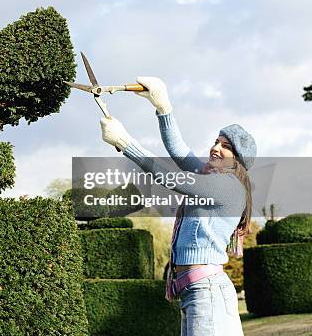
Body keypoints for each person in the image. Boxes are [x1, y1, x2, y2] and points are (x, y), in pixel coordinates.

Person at [98, 76, 255, 336]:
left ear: (237, 160)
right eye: (216, 141)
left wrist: (126, 144)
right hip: (196, 292)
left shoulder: (227, 185)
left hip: (208, 294)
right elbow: (178, 149)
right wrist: (163, 107)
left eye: (226, 147)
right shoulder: (210, 175)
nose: (216, 148)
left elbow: (171, 178)